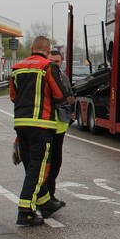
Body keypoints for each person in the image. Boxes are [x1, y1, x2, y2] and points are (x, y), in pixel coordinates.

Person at [9, 36, 69, 227]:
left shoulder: (17, 68)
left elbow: (13, 96)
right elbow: (60, 95)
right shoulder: (48, 67)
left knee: (31, 165)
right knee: (38, 168)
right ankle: (25, 211)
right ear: (48, 50)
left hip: (21, 124)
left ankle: (46, 203)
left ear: (31, 48)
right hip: (41, 125)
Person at [42, 49, 73, 218]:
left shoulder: (64, 77)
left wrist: (70, 111)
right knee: (44, 164)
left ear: (62, 62)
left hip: (60, 127)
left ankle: (51, 196)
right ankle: (44, 199)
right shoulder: (44, 76)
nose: (54, 64)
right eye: (51, 61)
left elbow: (69, 96)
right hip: (46, 126)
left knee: (56, 164)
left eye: (57, 61)